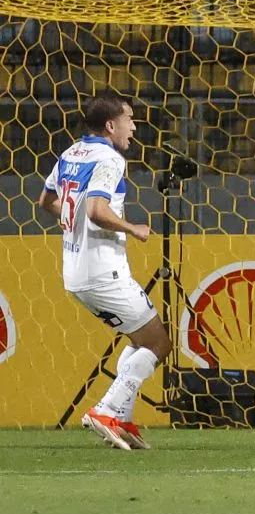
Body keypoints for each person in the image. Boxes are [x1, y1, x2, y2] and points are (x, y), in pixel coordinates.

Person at [39, 92, 171, 451]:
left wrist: (73, 224)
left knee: (140, 338)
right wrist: (134, 228)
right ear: (111, 125)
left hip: (77, 271)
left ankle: (122, 418)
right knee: (159, 343)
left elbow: (46, 201)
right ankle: (107, 409)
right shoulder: (110, 159)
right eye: (129, 118)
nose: (134, 126)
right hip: (103, 271)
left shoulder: (70, 153)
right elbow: (97, 210)